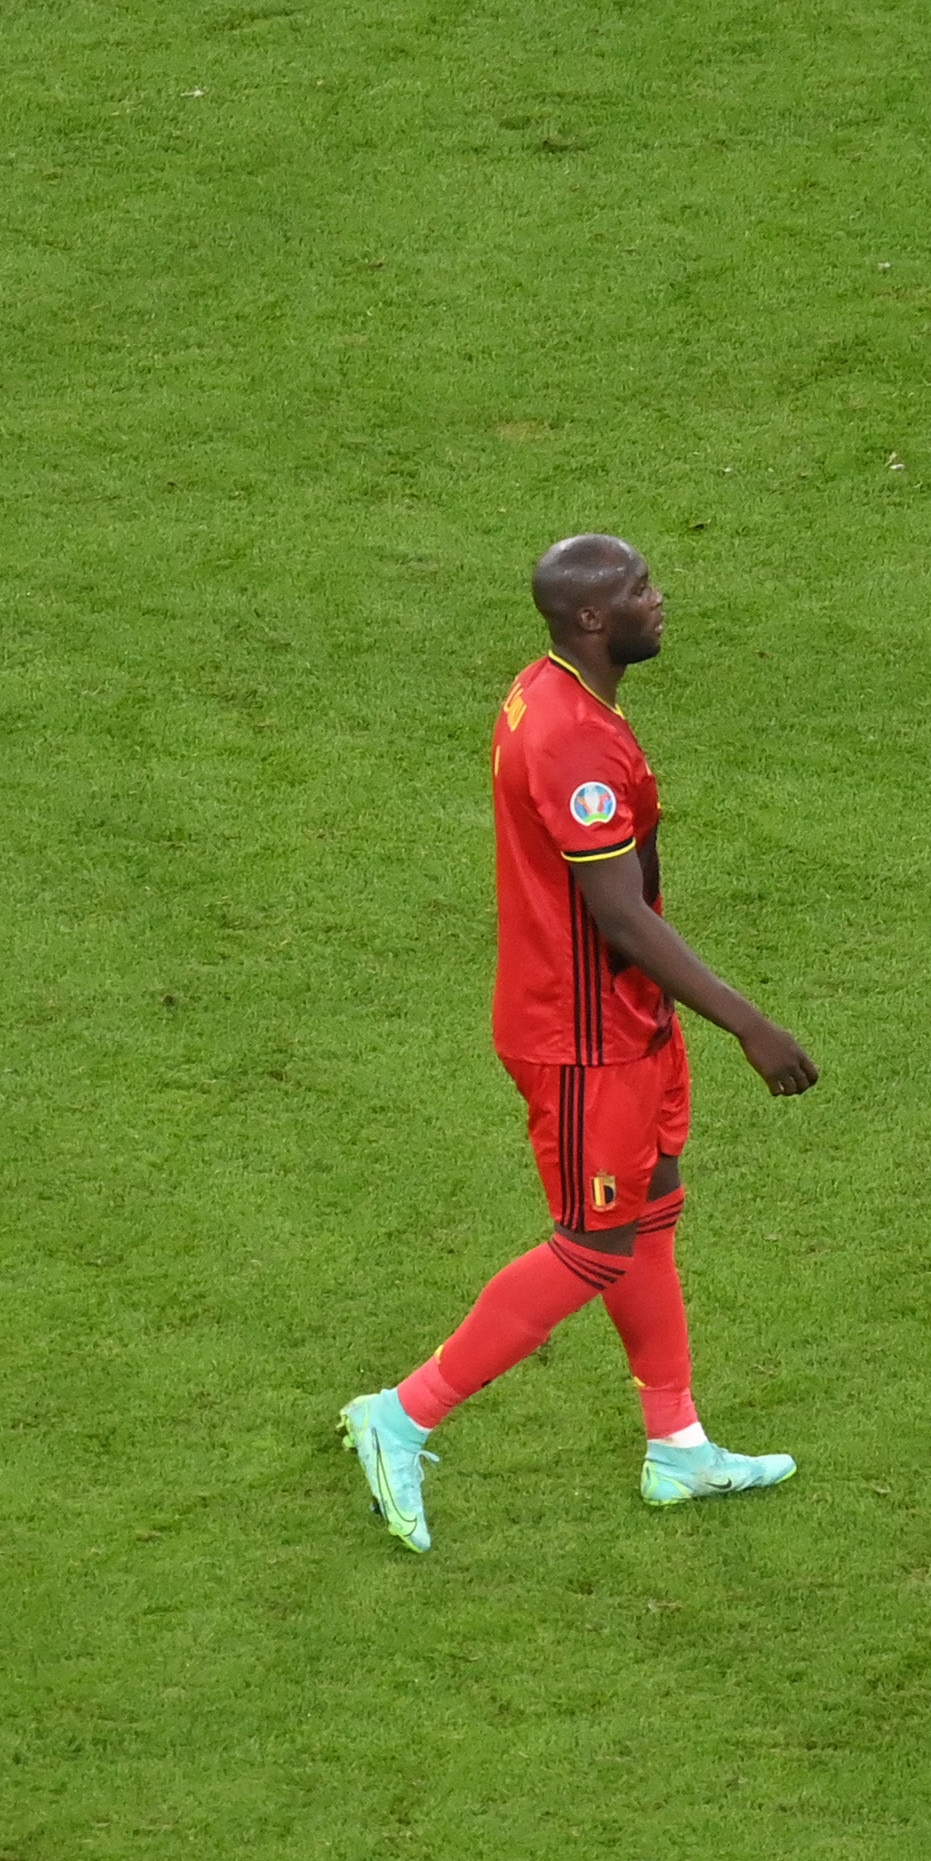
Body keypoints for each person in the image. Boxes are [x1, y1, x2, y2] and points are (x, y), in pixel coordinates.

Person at [341, 538, 820, 1548]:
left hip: (624, 1018)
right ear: (591, 621)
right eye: (638, 591)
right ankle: (400, 1414)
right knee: (591, 1247)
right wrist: (748, 1023)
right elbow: (619, 915)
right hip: (581, 1034)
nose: (659, 600)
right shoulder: (570, 742)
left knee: (649, 1213)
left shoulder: (554, 693)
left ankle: (677, 1447)